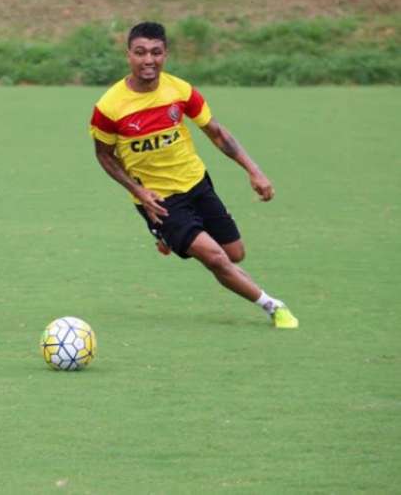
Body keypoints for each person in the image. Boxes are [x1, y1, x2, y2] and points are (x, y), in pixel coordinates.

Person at [90, 22, 298, 329]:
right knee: (215, 259)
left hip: (197, 182)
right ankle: (273, 306)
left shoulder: (180, 91)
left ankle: (167, 238)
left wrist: (254, 171)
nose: (149, 60)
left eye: (156, 52)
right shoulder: (109, 107)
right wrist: (139, 191)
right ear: (128, 55)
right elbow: (104, 156)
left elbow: (216, 134)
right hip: (158, 200)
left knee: (234, 254)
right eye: (141, 52)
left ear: (166, 54)